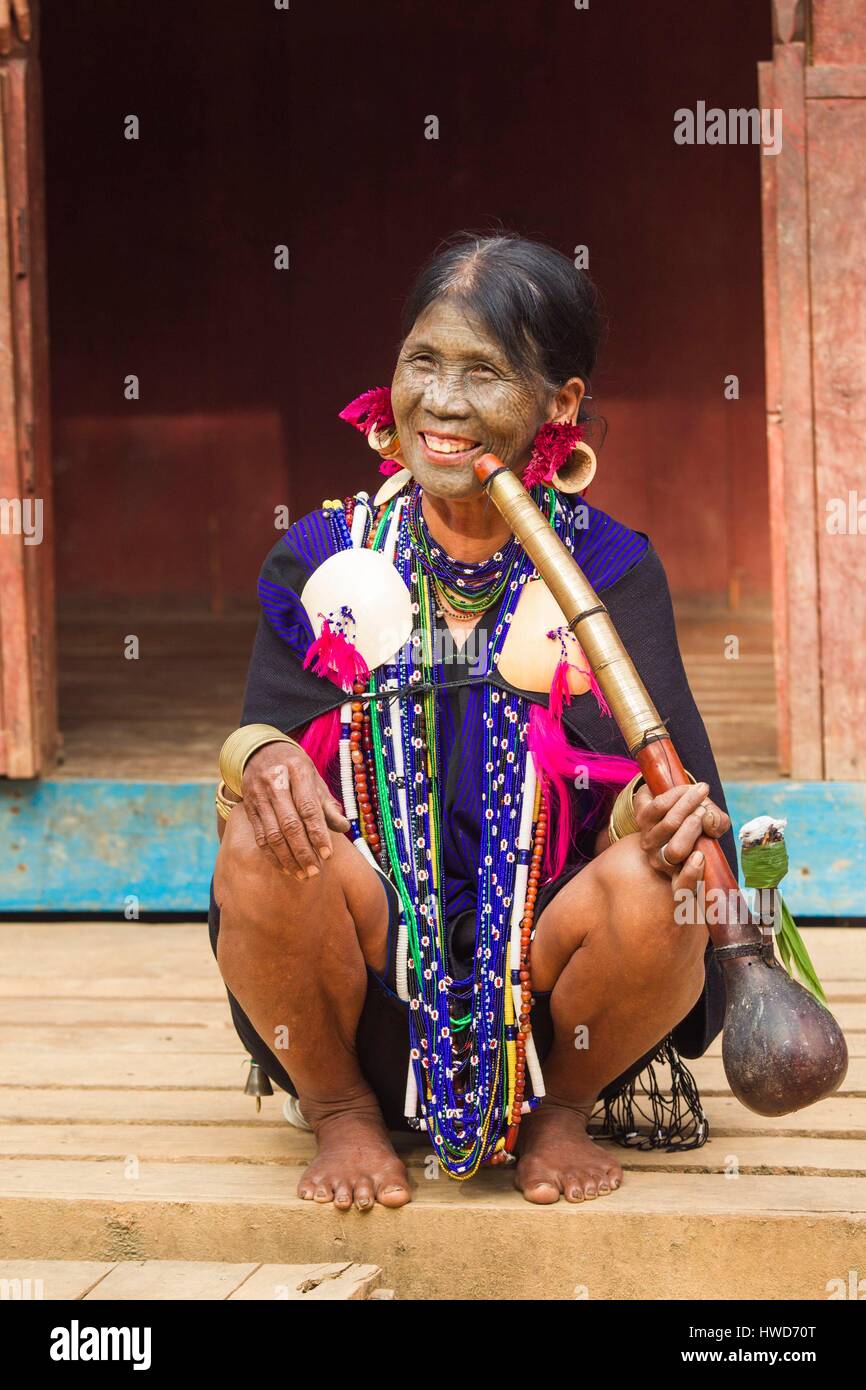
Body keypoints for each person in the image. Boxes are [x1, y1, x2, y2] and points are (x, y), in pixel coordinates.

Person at [209, 232, 735, 1211]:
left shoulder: (608, 569)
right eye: (421, 362)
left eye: (481, 372)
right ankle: (340, 1109)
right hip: (372, 979)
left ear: (560, 404)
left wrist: (656, 828)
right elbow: (260, 736)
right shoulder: (330, 555)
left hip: (551, 1000)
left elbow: (680, 813)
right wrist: (266, 758)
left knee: (663, 880)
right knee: (257, 835)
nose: (440, 404)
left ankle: (558, 1113)